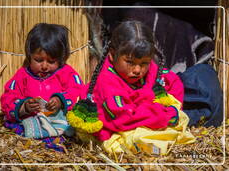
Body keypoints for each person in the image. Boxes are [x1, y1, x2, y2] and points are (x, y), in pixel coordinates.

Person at [67, 20, 195, 155]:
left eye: (144, 63)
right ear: (112, 54)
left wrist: (174, 108)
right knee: (140, 140)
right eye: (130, 62)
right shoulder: (107, 84)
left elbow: (172, 81)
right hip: (122, 123)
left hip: (147, 116)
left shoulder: (149, 68)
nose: (137, 70)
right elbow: (124, 119)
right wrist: (165, 115)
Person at [1, 23, 84, 139]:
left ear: (61, 59)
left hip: (59, 122)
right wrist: (24, 107)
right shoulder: (22, 76)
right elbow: (8, 97)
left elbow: (78, 90)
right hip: (31, 121)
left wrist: (60, 100)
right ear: (29, 55)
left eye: (51, 61)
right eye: (38, 60)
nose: (44, 66)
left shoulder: (67, 73)